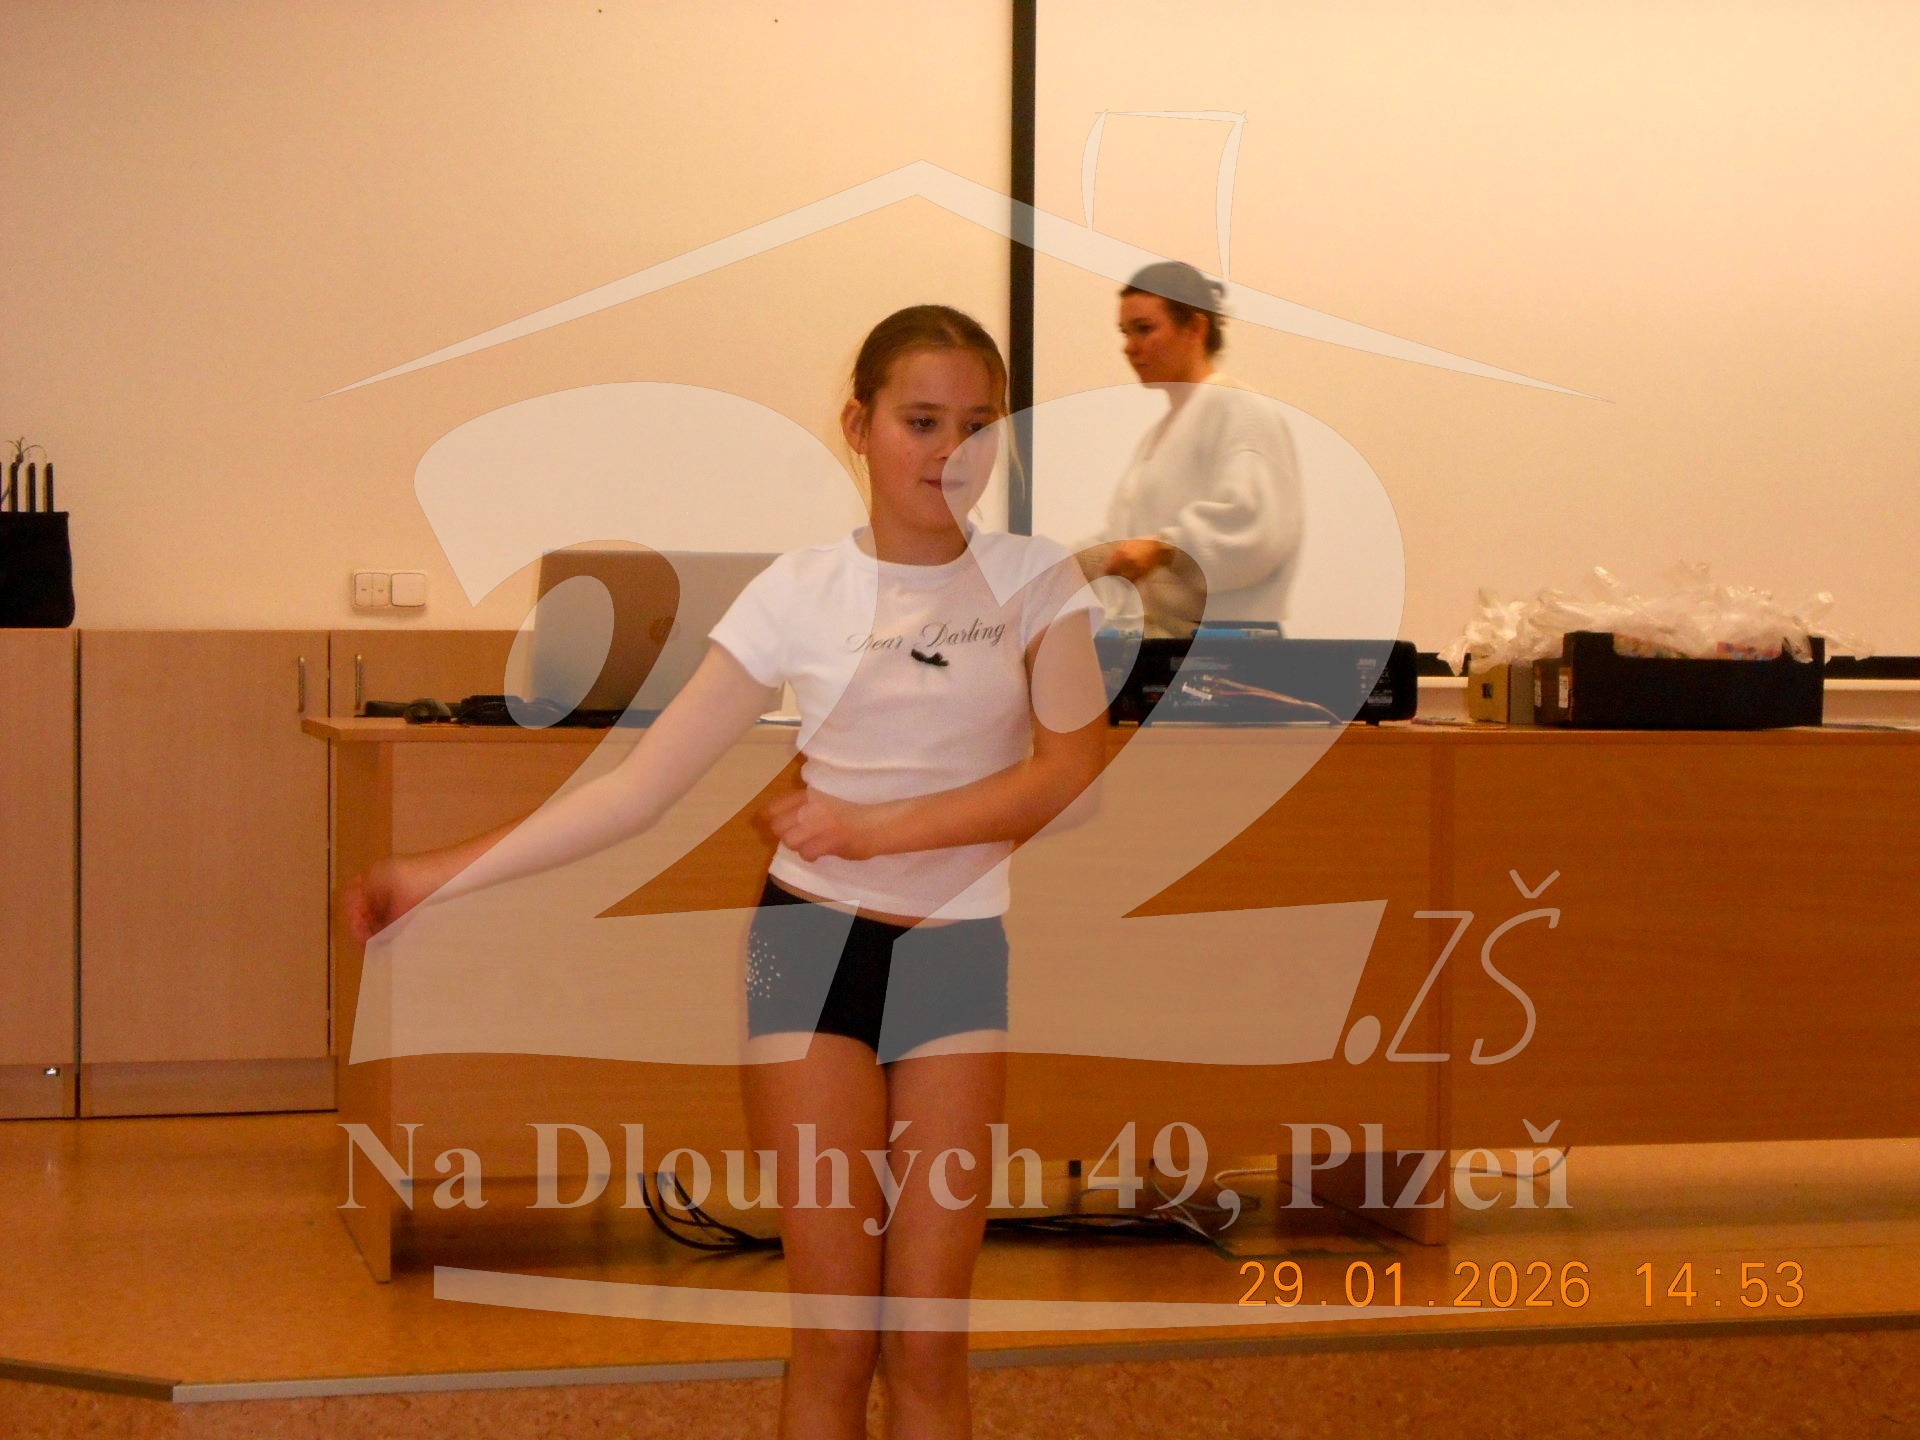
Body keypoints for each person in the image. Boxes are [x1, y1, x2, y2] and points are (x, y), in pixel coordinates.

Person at [344, 304, 1108, 1440]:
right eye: (921, 421)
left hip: (955, 953)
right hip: (806, 948)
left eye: (978, 425)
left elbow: (1073, 782)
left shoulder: (1039, 582)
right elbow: (636, 790)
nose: (952, 453)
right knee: (834, 1339)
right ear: (857, 424)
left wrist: (873, 829)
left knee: (928, 1344)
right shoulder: (799, 590)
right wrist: (434, 875)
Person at [1087, 260, 1303, 639]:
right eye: (1125, 332)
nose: (1129, 347)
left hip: (1228, 647)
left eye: (1144, 329)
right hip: (1167, 643)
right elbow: (1128, 541)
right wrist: (1056, 563)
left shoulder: (1241, 410)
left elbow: (1256, 527)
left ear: (1195, 328)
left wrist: (1163, 547)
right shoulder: (1162, 432)